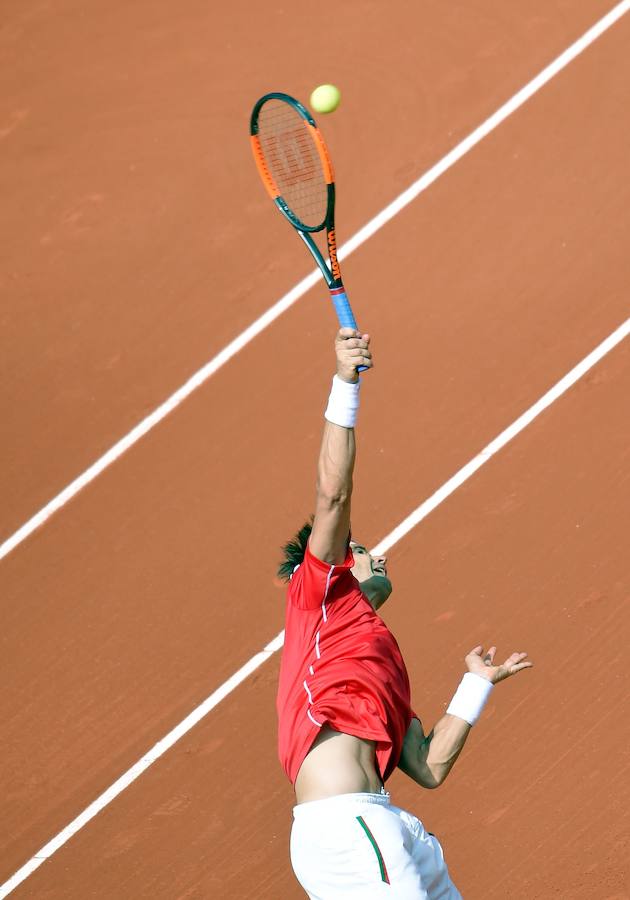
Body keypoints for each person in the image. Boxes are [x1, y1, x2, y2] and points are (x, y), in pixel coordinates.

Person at [276, 328, 533, 899]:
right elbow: (333, 495)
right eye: (364, 551)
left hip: (383, 825)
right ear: (341, 562)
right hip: (348, 828)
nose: (378, 555)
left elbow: (430, 767)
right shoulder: (319, 602)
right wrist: (345, 382)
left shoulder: (378, 662)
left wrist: (474, 687)